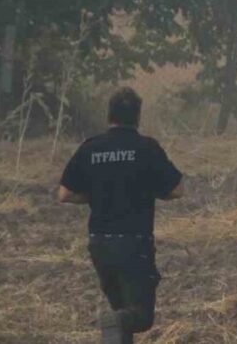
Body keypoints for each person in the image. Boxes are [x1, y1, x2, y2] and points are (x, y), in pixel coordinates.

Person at [57, 88, 184, 343]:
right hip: (134, 243)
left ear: (109, 116)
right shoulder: (147, 148)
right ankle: (115, 320)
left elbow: (65, 194)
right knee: (140, 316)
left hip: (100, 243)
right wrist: (149, 191)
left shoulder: (91, 148)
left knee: (121, 315)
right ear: (137, 117)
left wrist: (93, 196)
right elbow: (177, 190)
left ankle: (116, 323)